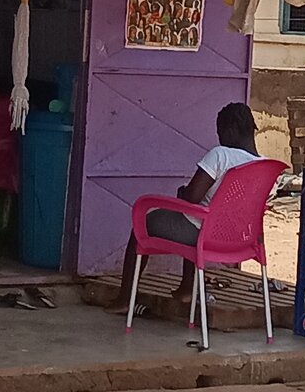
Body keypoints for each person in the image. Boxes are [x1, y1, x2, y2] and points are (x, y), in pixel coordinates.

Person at [106, 103, 260, 313]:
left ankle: (124, 299)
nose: (219, 139)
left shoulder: (221, 155)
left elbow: (192, 197)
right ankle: (187, 289)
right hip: (239, 239)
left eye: (220, 133)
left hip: (204, 234)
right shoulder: (267, 167)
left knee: (144, 223)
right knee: (196, 216)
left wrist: (183, 193)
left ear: (230, 131)